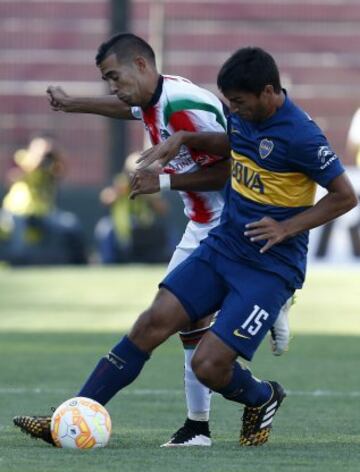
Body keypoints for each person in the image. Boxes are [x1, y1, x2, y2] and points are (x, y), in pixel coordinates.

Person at [12, 42, 319, 447]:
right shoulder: (156, 98)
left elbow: (232, 167)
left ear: (140, 65)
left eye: (114, 77)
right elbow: (131, 109)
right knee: (157, 324)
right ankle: (80, 417)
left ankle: (234, 390)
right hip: (201, 226)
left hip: (230, 229)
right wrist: (75, 104)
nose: (112, 87)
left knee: (191, 336)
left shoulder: (183, 105)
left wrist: (165, 181)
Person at [0, 135, 86, 265]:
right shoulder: (23, 158)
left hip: (44, 214)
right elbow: (14, 174)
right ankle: (15, 264)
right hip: (17, 212)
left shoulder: (51, 165)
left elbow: (61, 172)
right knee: (17, 242)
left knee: (71, 225)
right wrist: (36, 161)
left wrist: (54, 157)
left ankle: (80, 265)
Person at [95, 151, 170, 264]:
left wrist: (147, 195)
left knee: (168, 231)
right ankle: (108, 265)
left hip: (145, 229)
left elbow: (164, 210)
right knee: (104, 228)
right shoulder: (121, 183)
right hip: (122, 231)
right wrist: (119, 192)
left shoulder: (150, 185)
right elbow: (105, 199)